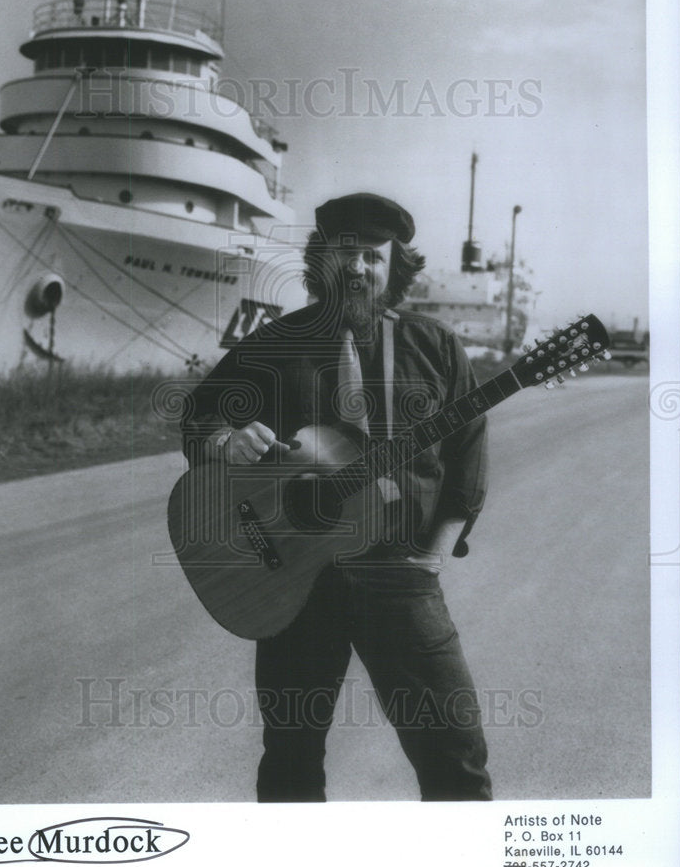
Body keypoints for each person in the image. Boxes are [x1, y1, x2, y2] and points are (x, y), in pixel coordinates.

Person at [181, 192, 491, 801]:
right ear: (321, 260)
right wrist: (226, 441)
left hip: (401, 576)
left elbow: (467, 461)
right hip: (295, 581)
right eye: (343, 253)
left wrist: (433, 556)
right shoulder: (273, 343)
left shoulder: (435, 347)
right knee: (290, 762)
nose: (357, 268)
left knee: (456, 759)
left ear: (392, 267)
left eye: (372, 257)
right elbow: (198, 417)